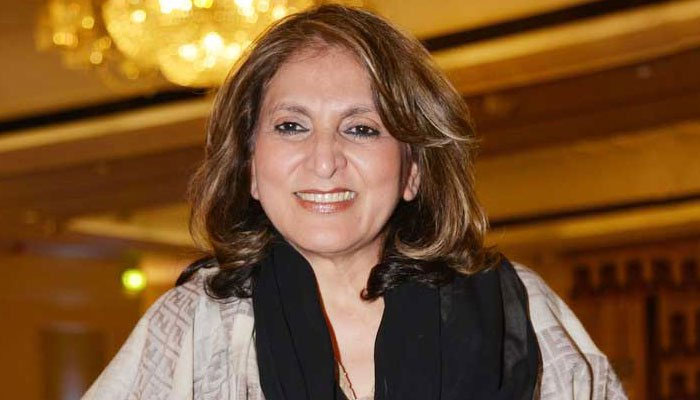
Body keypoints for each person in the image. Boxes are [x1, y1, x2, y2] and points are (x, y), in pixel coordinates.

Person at [83, 4, 626, 400]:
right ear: (250, 168)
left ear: (413, 170)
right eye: (291, 126)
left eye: (362, 128)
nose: (324, 161)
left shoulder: (514, 311)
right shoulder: (194, 325)